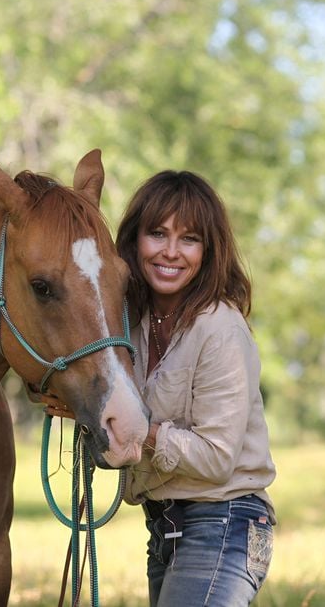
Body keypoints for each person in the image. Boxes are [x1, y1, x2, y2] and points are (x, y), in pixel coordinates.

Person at [113, 169, 277, 607]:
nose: (170, 252)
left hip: (224, 522)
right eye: (157, 233)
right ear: (135, 242)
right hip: (165, 529)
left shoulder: (220, 328)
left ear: (208, 250)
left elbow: (217, 457)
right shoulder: (133, 327)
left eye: (189, 238)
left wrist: (138, 429)